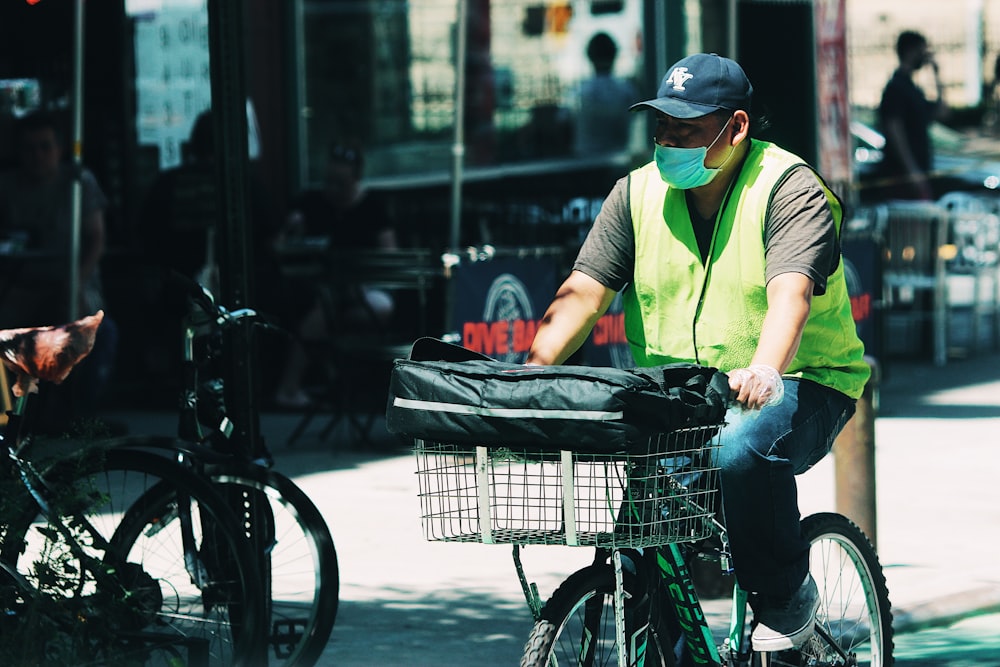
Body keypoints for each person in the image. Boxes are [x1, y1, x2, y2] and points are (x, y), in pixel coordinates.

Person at [526, 53, 870, 652]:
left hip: (802, 381)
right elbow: (583, 293)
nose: (667, 141)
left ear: (735, 128)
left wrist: (767, 367)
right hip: (680, 396)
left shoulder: (788, 187)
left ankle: (786, 604)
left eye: (685, 129)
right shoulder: (634, 194)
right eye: (661, 126)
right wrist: (532, 374)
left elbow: (791, 293)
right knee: (642, 548)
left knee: (743, 447)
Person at [0, 110, 117, 421]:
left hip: (73, 278)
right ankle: (8, 415)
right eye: (30, 148)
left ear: (59, 149)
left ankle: (77, 409)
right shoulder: (7, 186)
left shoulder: (78, 182)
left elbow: (96, 238)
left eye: (45, 147)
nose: (38, 156)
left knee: (90, 327)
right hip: (19, 282)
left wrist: (76, 280)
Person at [273, 140, 399, 409]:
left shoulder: (373, 206)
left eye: (340, 182)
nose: (332, 189)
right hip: (318, 286)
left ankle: (313, 380)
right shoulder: (311, 202)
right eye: (328, 180)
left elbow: (390, 254)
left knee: (368, 309)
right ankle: (309, 382)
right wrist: (292, 228)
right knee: (320, 310)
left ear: (355, 179)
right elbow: (280, 244)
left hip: (364, 286)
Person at [876, 30, 949, 200]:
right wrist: (912, 171)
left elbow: (943, 113)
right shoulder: (896, 87)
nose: (926, 56)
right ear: (911, 51)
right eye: (923, 51)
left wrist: (937, 76)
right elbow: (894, 129)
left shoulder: (913, 89)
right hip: (903, 175)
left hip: (919, 170)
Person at [570, 32, 637, 156]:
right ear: (614, 55)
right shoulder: (627, 91)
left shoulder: (579, 92)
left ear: (589, 56)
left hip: (583, 162)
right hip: (619, 161)